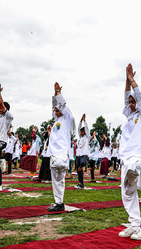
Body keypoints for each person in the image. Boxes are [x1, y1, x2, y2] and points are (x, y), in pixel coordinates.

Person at [118, 63, 141, 240]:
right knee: (127, 192)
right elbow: (127, 96)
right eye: (131, 102)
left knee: (135, 168)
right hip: (126, 157)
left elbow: (138, 96)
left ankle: (133, 173)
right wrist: (126, 81)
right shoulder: (130, 116)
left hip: (139, 156)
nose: (132, 104)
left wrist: (133, 80)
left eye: (134, 102)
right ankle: (135, 226)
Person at [47, 82, 75, 212]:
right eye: (56, 110)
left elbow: (62, 105)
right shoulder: (57, 120)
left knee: (60, 177)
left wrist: (59, 93)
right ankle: (58, 202)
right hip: (53, 153)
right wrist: (54, 94)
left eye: (58, 110)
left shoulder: (67, 119)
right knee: (56, 179)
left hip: (62, 153)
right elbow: (55, 106)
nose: (56, 111)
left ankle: (60, 201)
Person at [75, 114, 89, 189]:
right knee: (78, 171)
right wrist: (80, 120)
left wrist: (84, 121)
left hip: (83, 155)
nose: (81, 132)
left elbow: (86, 128)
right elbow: (78, 128)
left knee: (82, 165)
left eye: (82, 131)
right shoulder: (80, 138)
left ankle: (81, 167)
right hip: (78, 155)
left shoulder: (87, 137)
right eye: (81, 131)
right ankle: (81, 183)